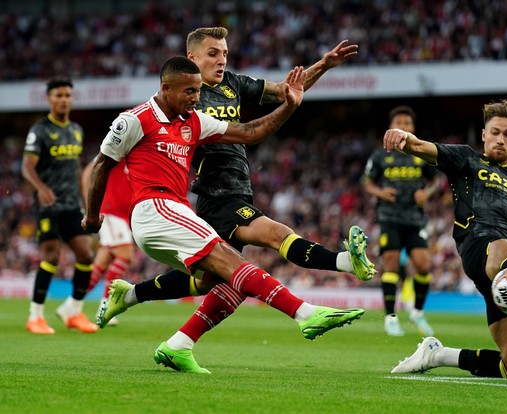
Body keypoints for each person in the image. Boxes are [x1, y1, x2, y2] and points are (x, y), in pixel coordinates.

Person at [83, 56, 364, 373]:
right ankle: (305, 314)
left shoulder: (194, 121)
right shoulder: (135, 119)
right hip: (154, 207)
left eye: (198, 91)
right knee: (234, 261)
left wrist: (288, 106)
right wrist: (92, 216)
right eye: (189, 91)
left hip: (174, 210)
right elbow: (102, 165)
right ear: (166, 87)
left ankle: (152, 317)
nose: (196, 98)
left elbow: (250, 132)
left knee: (219, 280)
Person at [384, 99, 507, 379]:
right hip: (481, 248)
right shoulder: (466, 159)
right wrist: (404, 138)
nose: (500, 139)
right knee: (504, 246)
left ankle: (436, 354)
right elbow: (420, 147)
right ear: (484, 135)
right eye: (495, 132)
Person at [22, 77, 97, 334]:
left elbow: (76, 168)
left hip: (71, 205)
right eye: (59, 95)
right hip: (49, 206)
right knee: (51, 256)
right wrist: (41, 189)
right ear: (49, 99)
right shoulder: (40, 130)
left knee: (86, 255)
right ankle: (35, 317)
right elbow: (27, 167)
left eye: (67, 95)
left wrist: (85, 200)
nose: (64, 99)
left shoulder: (76, 129)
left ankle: (73, 311)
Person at [363, 105, 440, 336]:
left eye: (407, 123)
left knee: (424, 265)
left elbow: (435, 181)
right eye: (399, 123)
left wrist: (427, 193)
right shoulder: (380, 155)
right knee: (392, 265)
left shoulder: (421, 153)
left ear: (413, 128)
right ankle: (391, 317)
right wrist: (380, 193)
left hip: (415, 219)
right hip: (389, 218)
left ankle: (417, 312)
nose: (403, 127)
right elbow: (367, 182)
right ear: (391, 127)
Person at [81, 157, 134, 326]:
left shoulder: (136, 153)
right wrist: (91, 207)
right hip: (110, 212)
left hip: (122, 217)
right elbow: (90, 170)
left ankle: (72, 304)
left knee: (102, 263)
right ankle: (105, 305)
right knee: (125, 255)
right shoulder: (120, 145)